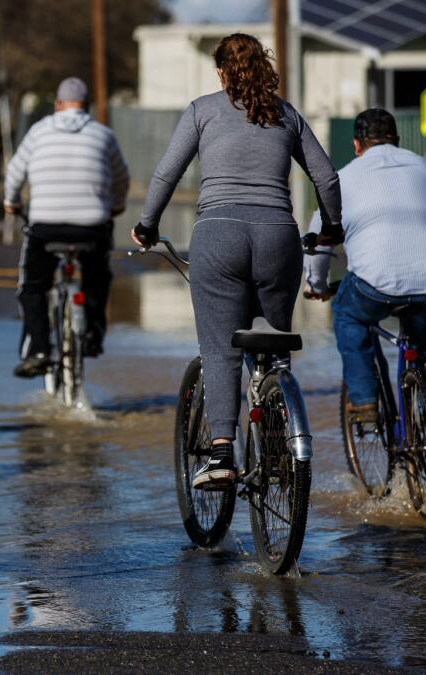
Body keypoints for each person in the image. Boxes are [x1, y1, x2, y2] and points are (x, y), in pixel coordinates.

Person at [131, 33, 342, 490]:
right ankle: (280, 449)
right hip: (278, 238)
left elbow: (167, 172)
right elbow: (325, 176)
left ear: (222, 72)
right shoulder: (284, 113)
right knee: (271, 350)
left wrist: (147, 226)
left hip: (218, 236)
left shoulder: (203, 110)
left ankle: (223, 452)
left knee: (221, 348)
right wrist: (332, 227)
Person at [304, 108, 426, 485]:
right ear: (396, 140)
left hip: (375, 284)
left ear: (357, 145)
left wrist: (317, 285)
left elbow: (319, 242)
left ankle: (364, 401)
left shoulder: (342, 178)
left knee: (348, 314)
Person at [4, 76, 130, 377]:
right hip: (92, 226)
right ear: (86, 106)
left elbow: (14, 172)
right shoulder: (103, 134)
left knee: (33, 286)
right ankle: (92, 335)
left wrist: (11, 202)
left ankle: (37, 349)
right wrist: (117, 205)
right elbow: (121, 177)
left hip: (45, 225)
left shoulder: (38, 131)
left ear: (58, 105)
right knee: (98, 277)